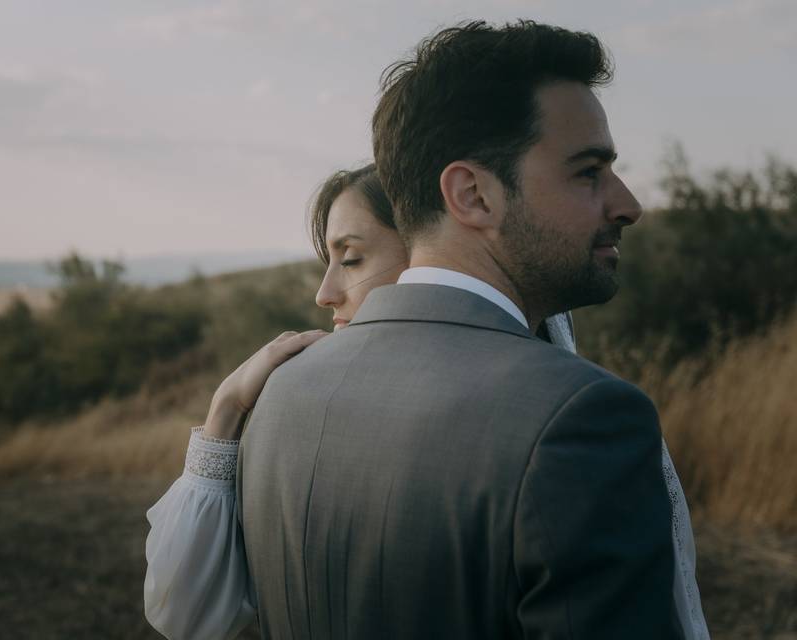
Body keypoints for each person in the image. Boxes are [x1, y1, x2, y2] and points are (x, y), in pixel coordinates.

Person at [233, 20, 706, 639]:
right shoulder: (582, 417)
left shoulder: (280, 395)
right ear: (474, 195)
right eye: (588, 172)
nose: (626, 204)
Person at [143, 164, 707, 637]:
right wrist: (222, 415)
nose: (324, 292)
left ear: (430, 251)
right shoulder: (286, 400)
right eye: (329, 260)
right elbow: (183, 613)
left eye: (353, 257)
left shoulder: (565, 414)